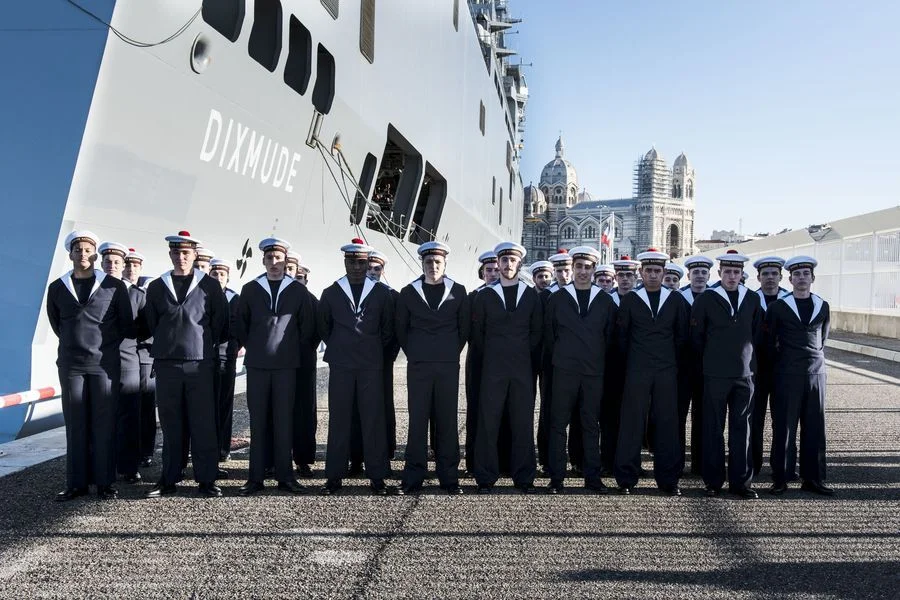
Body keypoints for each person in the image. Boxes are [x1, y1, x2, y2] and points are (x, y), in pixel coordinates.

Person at [47, 231, 134, 501]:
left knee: (104, 423)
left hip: (103, 365)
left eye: (87, 250)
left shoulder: (113, 286)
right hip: (72, 366)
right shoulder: (58, 287)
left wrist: (102, 345)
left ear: (95, 255)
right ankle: (76, 484)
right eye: (78, 250)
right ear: (70, 254)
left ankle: (105, 483)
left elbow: (125, 324)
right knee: (75, 424)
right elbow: (57, 323)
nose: (82, 254)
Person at [143, 231, 228, 498]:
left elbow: (221, 322)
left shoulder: (209, 286)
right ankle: (168, 478)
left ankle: (207, 479)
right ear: (170, 254)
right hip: (167, 364)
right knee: (171, 424)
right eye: (176, 252)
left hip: (199, 364)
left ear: (194, 255)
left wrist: (200, 344)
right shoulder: (157, 286)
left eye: (186, 253)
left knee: (203, 423)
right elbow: (151, 322)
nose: (181, 257)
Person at [237, 238, 314, 495]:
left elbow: (307, 327)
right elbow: (241, 324)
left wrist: (289, 350)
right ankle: (255, 478)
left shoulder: (297, 291)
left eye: (278, 259)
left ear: (285, 261)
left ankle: (285, 477)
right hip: (257, 366)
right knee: (258, 422)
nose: (274, 263)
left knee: (284, 421)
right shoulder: (250, 289)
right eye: (269, 258)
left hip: (286, 367)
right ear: (263, 261)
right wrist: (256, 346)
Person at [318, 239, 395, 496]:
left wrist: (370, 350)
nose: (357, 267)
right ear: (345, 263)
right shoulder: (331, 292)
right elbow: (324, 326)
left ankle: (377, 476)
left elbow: (387, 329)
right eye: (352, 262)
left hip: (370, 365)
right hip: (341, 364)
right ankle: (334, 476)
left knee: (373, 419)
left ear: (367, 263)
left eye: (361, 262)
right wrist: (342, 346)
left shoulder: (381, 293)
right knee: (339, 419)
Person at [396, 242, 469, 495]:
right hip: (419, 366)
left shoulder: (458, 291)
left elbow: (464, 328)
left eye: (438, 262)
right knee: (417, 421)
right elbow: (401, 328)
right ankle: (412, 478)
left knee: (447, 421)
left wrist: (449, 352)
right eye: (429, 262)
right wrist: (416, 353)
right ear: (422, 264)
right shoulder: (408, 292)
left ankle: (449, 478)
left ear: (445, 264)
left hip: (447, 365)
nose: (433, 266)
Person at [614, 249, 688, 496]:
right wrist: (628, 368)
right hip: (637, 370)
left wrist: (673, 366)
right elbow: (622, 338)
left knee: (667, 424)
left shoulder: (675, 300)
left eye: (657, 271)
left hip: (666, 371)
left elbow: (681, 337)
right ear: (641, 273)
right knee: (631, 423)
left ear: (664, 272)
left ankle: (669, 480)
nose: (653, 275)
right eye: (649, 271)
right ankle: (626, 478)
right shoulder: (631, 300)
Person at [543, 246, 616, 494]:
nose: (583, 271)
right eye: (579, 267)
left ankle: (592, 477)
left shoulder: (605, 301)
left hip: (593, 373)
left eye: (588, 267)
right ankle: (556, 478)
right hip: (564, 371)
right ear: (572, 268)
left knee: (590, 425)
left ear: (594, 269)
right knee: (558, 424)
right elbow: (550, 336)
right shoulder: (557, 299)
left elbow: (610, 337)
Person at [691, 250, 763, 499]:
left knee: (742, 429)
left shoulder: (752, 299)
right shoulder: (706, 299)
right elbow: (697, 338)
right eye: (728, 271)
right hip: (715, 374)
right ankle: (713, 481)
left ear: (742, 274)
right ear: (719, 273)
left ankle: (741, 482)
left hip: (745, 374)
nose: (732, 276)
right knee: (713, 428)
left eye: (736, 272)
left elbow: (757, 335)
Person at [471, 242, 542, 493]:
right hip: (493, 369)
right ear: (498, 263)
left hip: (522, 369)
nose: (508, 264)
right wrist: (495, 355)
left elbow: (536, 333)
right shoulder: (485, 296)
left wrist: (520, 355)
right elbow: (478, 335)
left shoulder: (530, 295)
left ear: (519, 263)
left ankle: (524, 477)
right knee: (488, 422)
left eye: (512, 260)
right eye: (504, 260)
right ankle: (485, 477)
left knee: (522, 423)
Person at [766, 256, 833, 496]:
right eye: (797, 274)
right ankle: (781, 478)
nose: (801, 278)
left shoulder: (822, 305)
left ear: (812, 278)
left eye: (806, 274)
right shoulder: (778, 307)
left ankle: (813, 478)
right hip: (787, 373)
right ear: (790, 279)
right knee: (784, 427)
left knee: (815, 427)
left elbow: (822, 339)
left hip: (816, 373)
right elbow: (769, 341)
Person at [99, 241, 145, 484]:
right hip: (98, 360)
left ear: (123, 265)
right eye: (108, 262)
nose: (112, 266)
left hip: (127, 359)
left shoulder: (137, 294)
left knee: (129, 415)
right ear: (101, 264)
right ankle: (101, 465)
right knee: (101, 414)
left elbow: (146, 325)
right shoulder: (93, 291)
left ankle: (128, 467)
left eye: (117, 262)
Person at [750, 256, 790, 477]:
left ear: (781, 277)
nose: (770, 278)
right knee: (754, 419)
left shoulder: (789, 300)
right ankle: (753, 464)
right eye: (765, 274)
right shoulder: (751, 299)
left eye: (774, 273)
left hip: (782, 368)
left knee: (782, 419)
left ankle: (781, 466)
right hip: (756, 368)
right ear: (758, 277)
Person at [600, 255, 639, 474]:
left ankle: (631, 462)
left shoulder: (641, 300)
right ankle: (608, 461)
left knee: (634, 418)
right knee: (609, 417)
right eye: (621, 275)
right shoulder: (606, 301)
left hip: (635, 366)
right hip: (610, 367)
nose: (625, 279)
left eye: (629, 275)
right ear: (616, 277)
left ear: (635, 277)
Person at [362, 249, 401, 466]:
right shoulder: (354, 292)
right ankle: (358, 455)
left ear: (383, 271)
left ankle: (388, 447)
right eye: (369, 268)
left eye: (377, 269)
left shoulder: (392, 295)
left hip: (383, 359)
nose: (372, 272)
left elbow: (397, 330)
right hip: (359, 359)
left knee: (385, 403)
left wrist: (390, 355)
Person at [464, 250, 499, 473]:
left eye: (496, 270)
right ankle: (473, 461)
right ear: (482, 273)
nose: (493, 274)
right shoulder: (473, 297)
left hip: (501, 361)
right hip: (478, 359)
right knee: (475, 410)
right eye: (489, 270)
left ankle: (501, 461)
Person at [678, 255, 714, 475]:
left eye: (703, 272)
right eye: (695, 272)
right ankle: (677, 462)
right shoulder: (678, 298)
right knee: (678, 416)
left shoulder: (715, 298)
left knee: (703, 416)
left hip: (707, 366)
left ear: (709, 275)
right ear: (689, 275)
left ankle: (699, 463)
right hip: (682, 366)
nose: (699, 276)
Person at [286, 252, 319, 477]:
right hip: (281, 363)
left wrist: (305, 349)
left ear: (306, 280)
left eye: (299, 277)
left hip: (304, 363)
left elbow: (319, 330)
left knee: (305, 412)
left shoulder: (312, 301)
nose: (295, 280)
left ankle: (303, 459)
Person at [123, 248, 157, 468]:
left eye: (135, 265)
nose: (131, 269)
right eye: (127, 265)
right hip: (124, 357)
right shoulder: (117, 291)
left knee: (146, 405)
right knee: (126, 408)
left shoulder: (145, 291)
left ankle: (145, 450)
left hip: (144, 355)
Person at [209, 258, 241, 463]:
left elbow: (238, 326)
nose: (218, 277)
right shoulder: (201, 295)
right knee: (204, 404)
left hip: (225, 356)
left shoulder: (234, 298)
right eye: (215, 274)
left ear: (227, 277)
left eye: (222, 274)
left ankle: (223, 447)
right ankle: (205, 446)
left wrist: (234, 347)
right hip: (204, 357)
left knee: (224, 403)